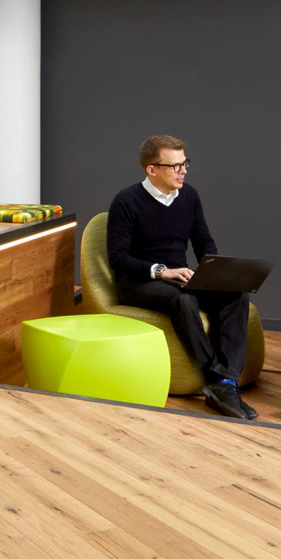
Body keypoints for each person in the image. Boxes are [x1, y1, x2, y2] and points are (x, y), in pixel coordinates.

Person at [107, 134, 254, 420]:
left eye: (185, 163)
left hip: (181, 277)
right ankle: (214, 378)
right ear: (152, 169)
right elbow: (118, 259)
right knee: (181, 298)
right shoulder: (126, 201)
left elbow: (203, 242)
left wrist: (215, 272)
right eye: (175, 166)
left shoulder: (189, 196)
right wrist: (162, 271)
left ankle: (225, 381)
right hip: (138, 282)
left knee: (237, 295)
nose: (183, 170)